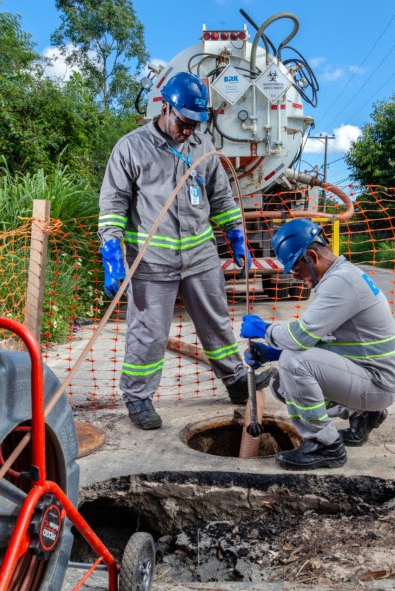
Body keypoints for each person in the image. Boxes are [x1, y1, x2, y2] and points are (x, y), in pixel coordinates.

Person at [98, 72, 275, 430]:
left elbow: (222, 198)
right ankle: (138, 397)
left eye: (196, 124)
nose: (189, 130)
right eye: (184, 122)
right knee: (147, 333)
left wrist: (236, 235)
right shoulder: (131, 148)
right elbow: (113, 205)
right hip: (151, 263)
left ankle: (237, 381)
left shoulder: (204, 148)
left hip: (199, 258)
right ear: (166, 108)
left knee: (216, 324)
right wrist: (112, 255)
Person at [240, 219, 395, 470]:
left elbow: (300, 337)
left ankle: (326, 445)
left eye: (296, 269)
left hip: (377, 383)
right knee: (283, 384)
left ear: (312, 257)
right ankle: (363, 415)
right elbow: (323, 339)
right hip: (371, 375)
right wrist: (271, 352)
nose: (296, 277)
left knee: (293, 364)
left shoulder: (341, 283)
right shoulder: (341, 277)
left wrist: (264, 330)